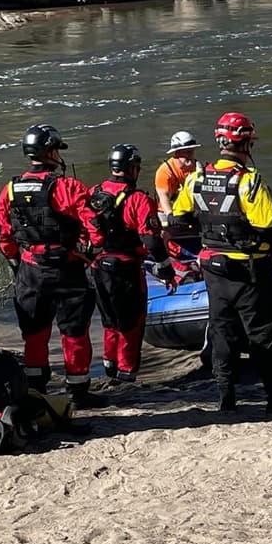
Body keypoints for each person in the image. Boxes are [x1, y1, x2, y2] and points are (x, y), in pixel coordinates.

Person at [170, 111, 272, 414]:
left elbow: (179, 217)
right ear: (245, 145)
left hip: (214, 269)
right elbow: (268, 221)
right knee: (262, 334)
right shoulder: (248, 181)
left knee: (222, 331)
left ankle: (225, 397)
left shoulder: (196, 179)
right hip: (249, 271)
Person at [0, 124, 105, 407]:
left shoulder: (9, 189)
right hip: (67, 269)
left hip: (30, 269)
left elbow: (3, 234)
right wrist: (92, 251)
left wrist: (15, 262)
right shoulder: (67, 187)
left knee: (34, 332)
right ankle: (78, 392)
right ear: (51, 152)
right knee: (74, 332)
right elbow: (93, 224)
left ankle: (36, 389)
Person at [89, 144, 174, 384]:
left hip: (97, 268)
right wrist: (166, 270)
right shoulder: (139, 200)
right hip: (125, 270)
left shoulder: (94, 192)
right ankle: (126, 376)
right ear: (133, 169)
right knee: (131, 324)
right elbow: (152, 240)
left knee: (109, 321)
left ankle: (109, 367)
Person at [156, 130, 202, 277]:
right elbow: (163, 196)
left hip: (191, 209)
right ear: (176, 153)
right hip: (169, 210)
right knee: (163, 232)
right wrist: (170, 215)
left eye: (191, 152)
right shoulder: (165, 171)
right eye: (185, 153)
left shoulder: (198, 168)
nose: (189, 156)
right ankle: (165, 262)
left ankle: (203, 259)